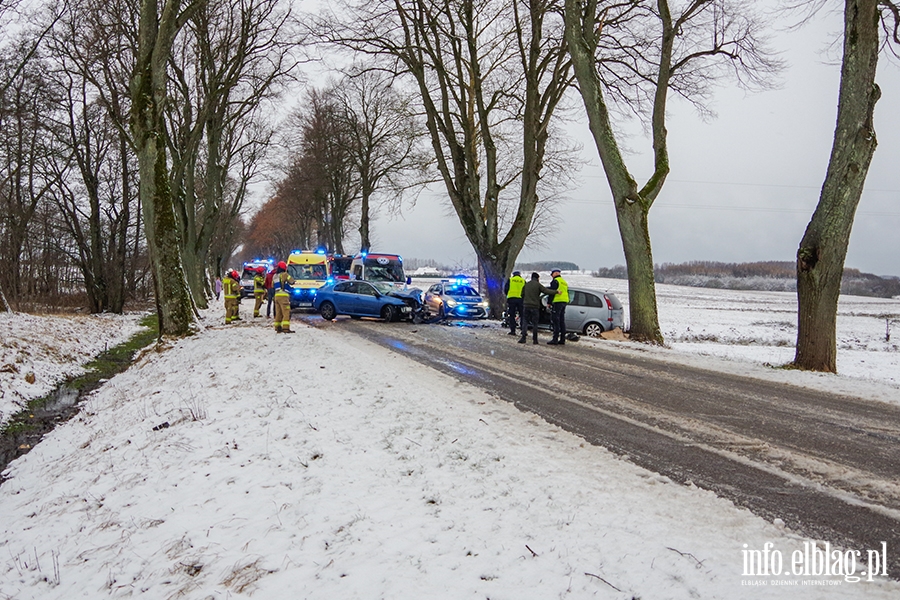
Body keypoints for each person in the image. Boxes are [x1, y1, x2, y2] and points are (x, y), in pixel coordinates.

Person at [519, 272, 556, 345]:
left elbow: (522, 294)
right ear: (537, 278)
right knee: (535, 323)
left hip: (526, 306)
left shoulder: (526, 284)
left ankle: (523, 338)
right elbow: (546, 291)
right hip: (535, 306)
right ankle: (535, 340)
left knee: (525, 322)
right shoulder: (538, 285)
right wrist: (556, 292)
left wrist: (525, 300)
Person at [271, 261, 295, 333]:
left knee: (278, 313)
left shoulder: (275, 276)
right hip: (284, 296)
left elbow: (272, 286)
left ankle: (278, 327)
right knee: (286, 312)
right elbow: (292, 281)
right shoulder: (285, 274)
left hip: (276, 296)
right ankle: (286, 328)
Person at [548, 269, 569, 345]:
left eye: (552, 274)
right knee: (561, 321)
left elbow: (552, 292)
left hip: (557, 302)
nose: (551, 275)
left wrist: (549, 302)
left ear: (556, 273)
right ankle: (562, 339)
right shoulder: (564, 282)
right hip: (564, 302)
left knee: (555, 321)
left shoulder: (555, 281)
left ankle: (555, 339)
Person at [503, 270, 525, 336]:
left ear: (513, 274)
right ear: (519, 274)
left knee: (512, 315)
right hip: (521, 299)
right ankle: (523, 330)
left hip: (512, 299)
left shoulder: (511, 280)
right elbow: (525, 290)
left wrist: (508, 295)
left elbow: (506, 289)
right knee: (522, 315)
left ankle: (513, 330)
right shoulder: (523, 281)